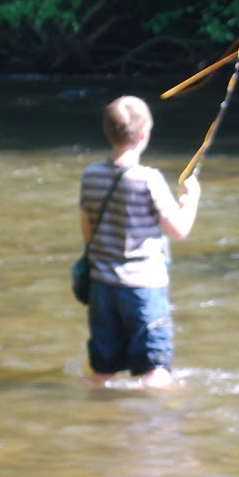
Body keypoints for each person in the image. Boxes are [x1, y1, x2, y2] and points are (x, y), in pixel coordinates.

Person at [78, 95, 200, 388]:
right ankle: (151, 430)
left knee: (103, 371)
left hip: (102, 288)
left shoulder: (90, 174)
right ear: (145, 135)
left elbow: (87, 234)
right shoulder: (149, 180)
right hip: (144, 289)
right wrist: (192, 198)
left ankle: (98, 422)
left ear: (108, 131)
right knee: (155, 372)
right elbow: (179, 230)